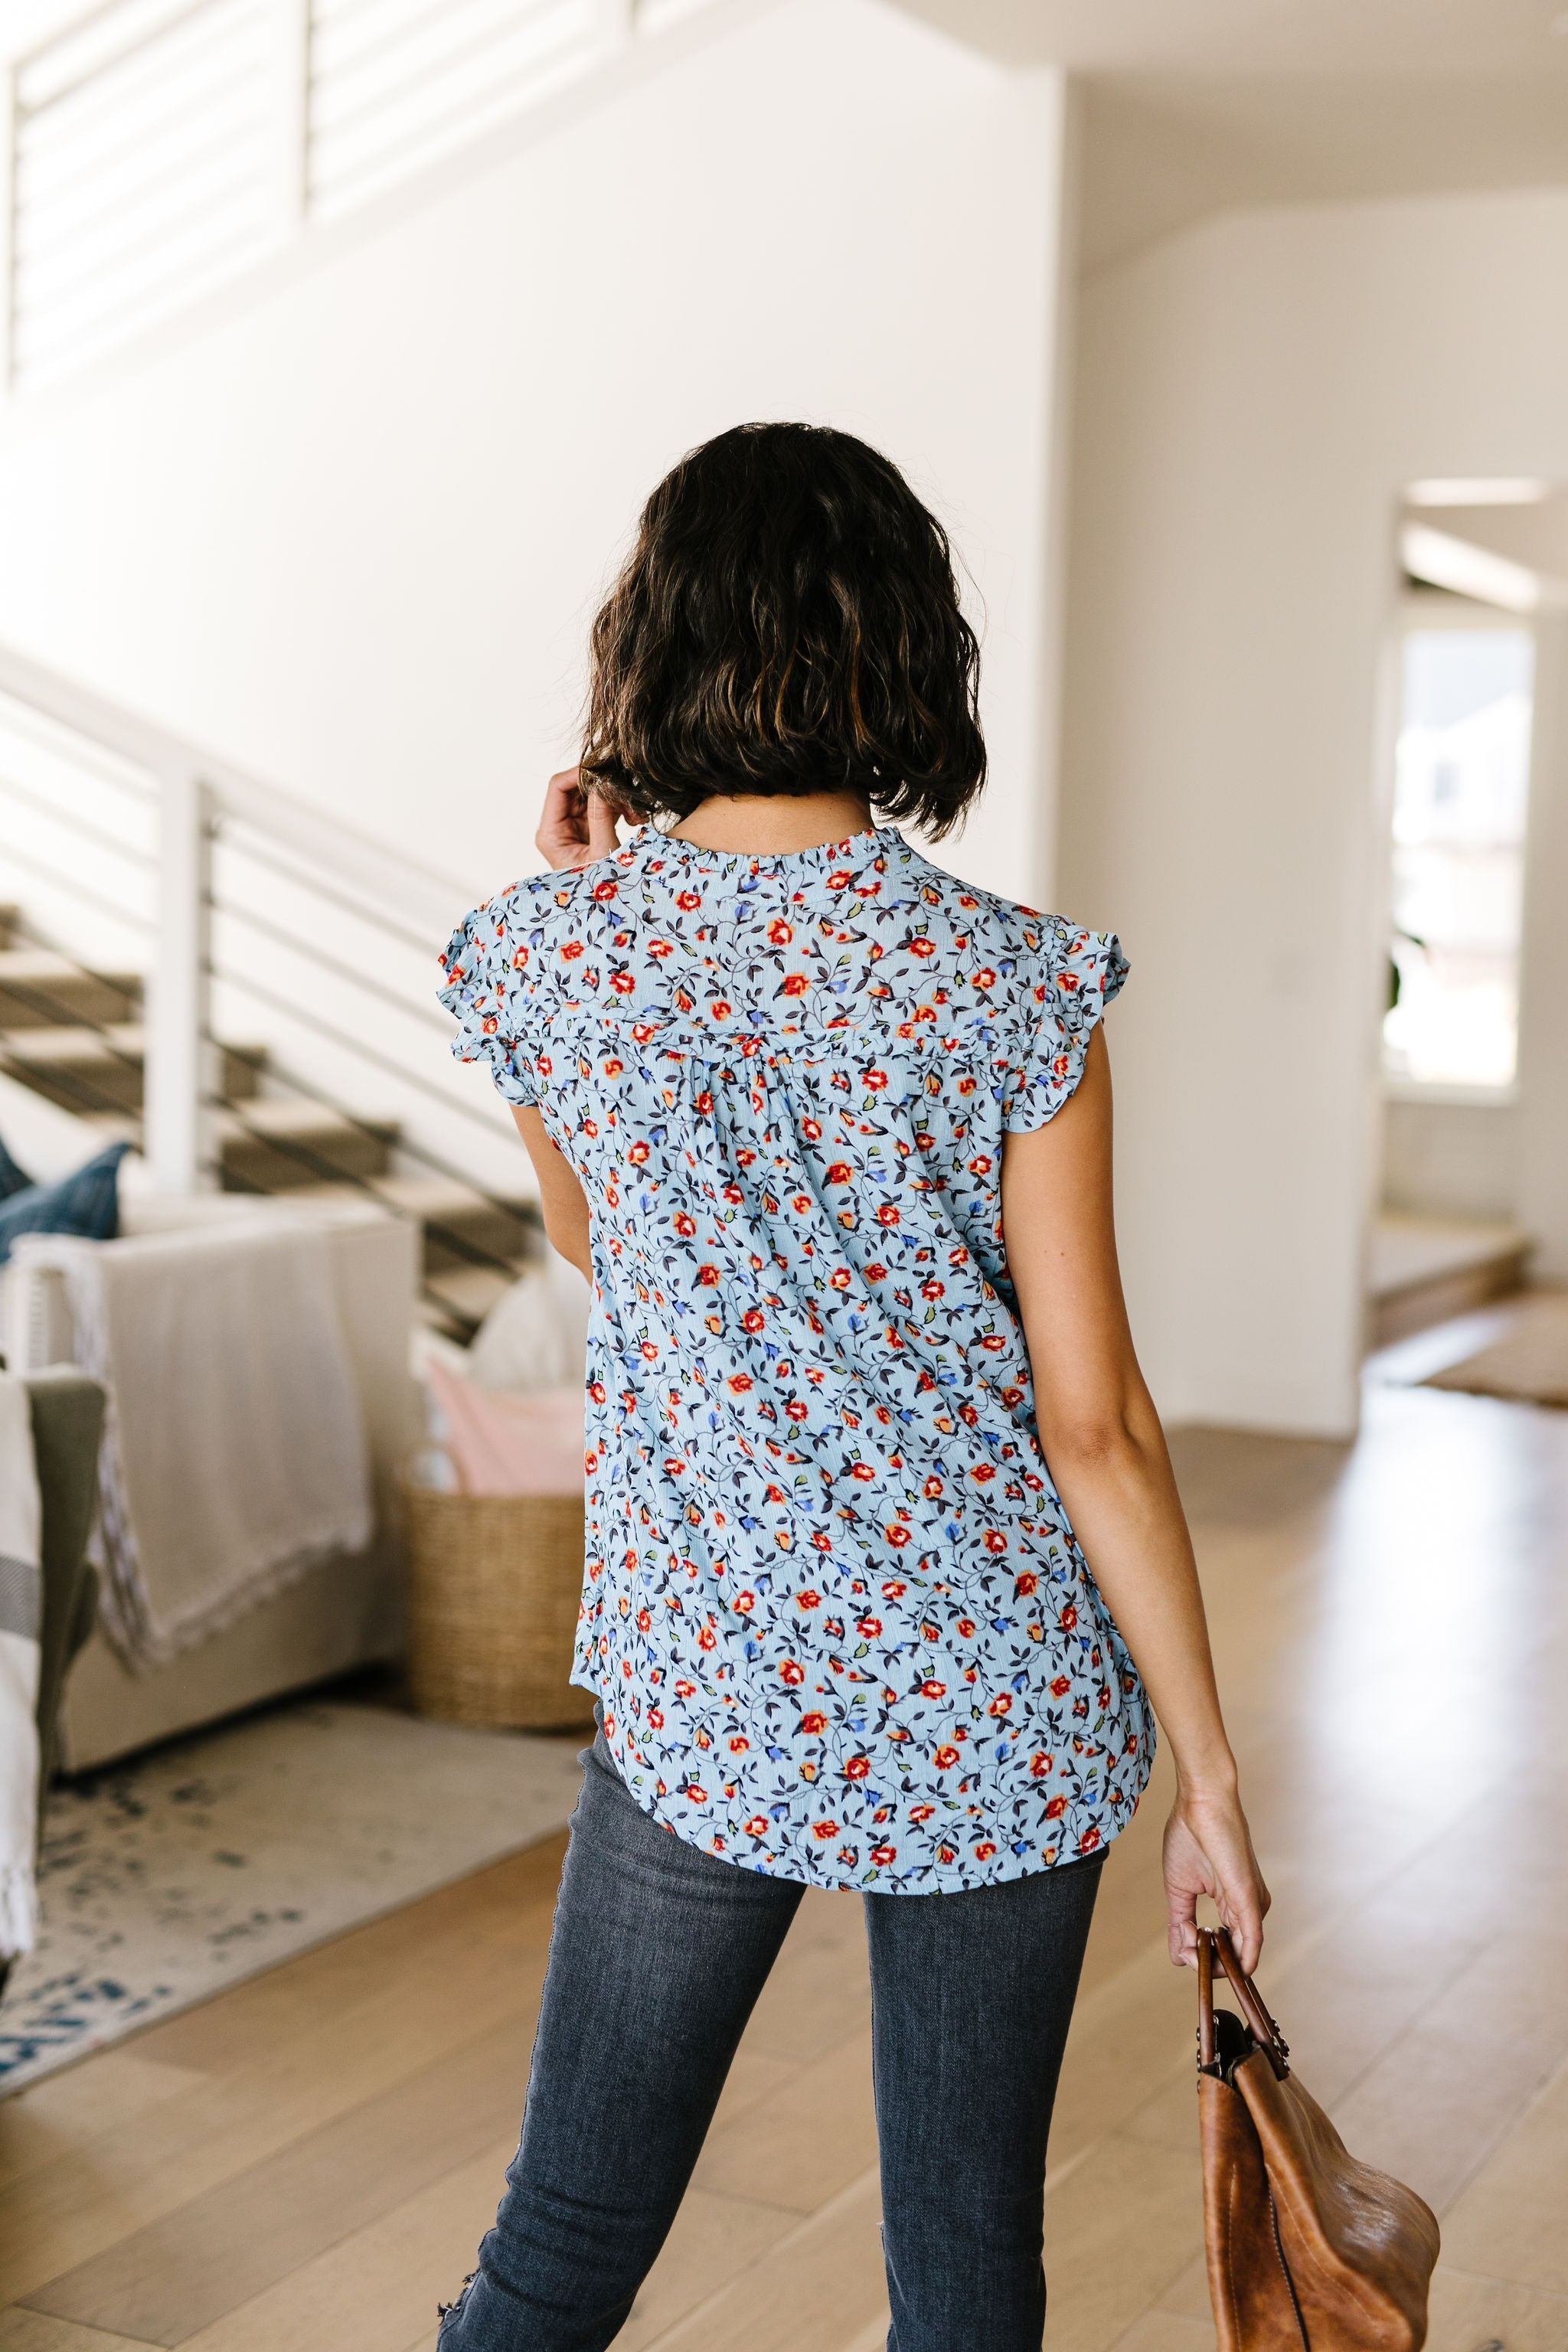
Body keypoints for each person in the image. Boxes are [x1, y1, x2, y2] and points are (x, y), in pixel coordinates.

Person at [434, 422, 1268, 2351]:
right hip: (997, 1696)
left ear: (654, 635)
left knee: (559, 2250)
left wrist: (584, 916)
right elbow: (1095, 1421)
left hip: (707, 1685)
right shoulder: (1011, 983)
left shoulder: (549, 959)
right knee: (968, 2285)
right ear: (908, 650)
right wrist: (1208, 1777)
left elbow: (602, 1247)